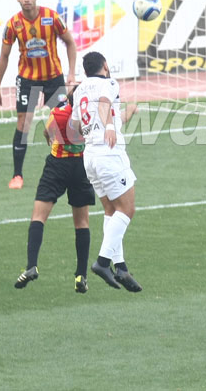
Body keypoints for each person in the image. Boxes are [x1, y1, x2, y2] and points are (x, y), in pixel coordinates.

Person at [0, 0, 78, 190]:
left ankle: (71, 166)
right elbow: (4, 56)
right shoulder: (13, 24)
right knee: (23, 123)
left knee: (63, 120)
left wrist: (71, 73)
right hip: (27, 80)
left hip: (53, 78)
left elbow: (70, 42)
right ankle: (17, 175)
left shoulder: (51, 17)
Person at [70, 51, 142, 292]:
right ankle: (102, 262)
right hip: (109, 154)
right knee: (127, 209)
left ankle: (120, 267)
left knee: (111, 210)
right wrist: (109, 126)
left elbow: (76, 126)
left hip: (90, 156)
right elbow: (103, 104)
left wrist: (122, 116)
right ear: (105, 65)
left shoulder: (79, 91)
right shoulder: (108, 83)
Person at [14, 86, 95, 293]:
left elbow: (46, 132)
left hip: (57, 165)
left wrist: (50, 138)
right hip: (81, 167)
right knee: (82, 222)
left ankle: (32, 265)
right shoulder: (90, 117)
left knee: (38, 217)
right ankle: (81, 275)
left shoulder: (58, 113)